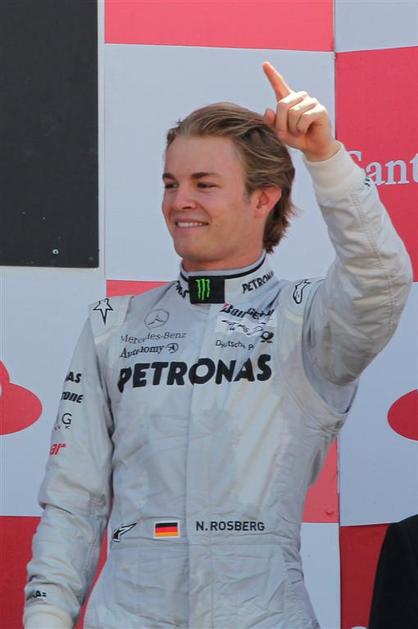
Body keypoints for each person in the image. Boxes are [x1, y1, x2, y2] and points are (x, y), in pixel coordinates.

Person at [24, 63, 412, 628]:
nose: (180, 201)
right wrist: (47, 617)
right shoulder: (114, 325)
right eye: (170, 184)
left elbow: (381, 280)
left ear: (264, 199)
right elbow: (72, 502)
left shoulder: (307, 320)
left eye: (204, 184)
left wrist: (326, 159)